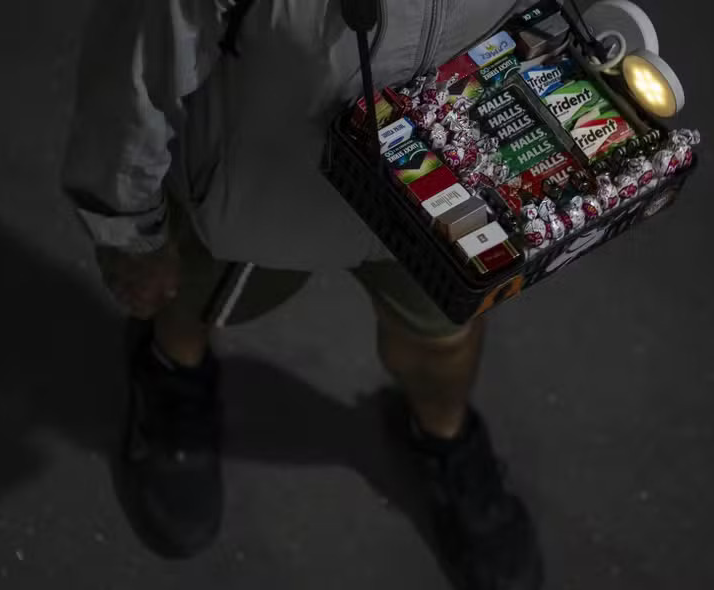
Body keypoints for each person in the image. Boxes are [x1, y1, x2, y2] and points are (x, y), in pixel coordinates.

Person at [63, 1, 543, 587]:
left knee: (443, 335)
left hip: (448, 172)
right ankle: (170, 374)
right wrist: (129, 228)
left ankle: (442, 437)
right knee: (188, 296)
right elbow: (137, 67)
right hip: (263, 168)